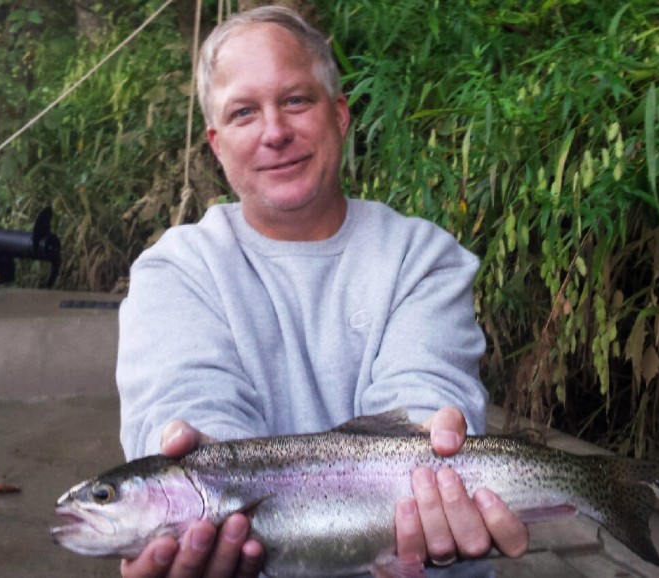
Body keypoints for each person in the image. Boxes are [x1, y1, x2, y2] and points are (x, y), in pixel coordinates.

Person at [116, 6, 528, 578]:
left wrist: (437, 467)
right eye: (243, 112)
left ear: (339, 115)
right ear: (216, 143)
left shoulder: (424, 256)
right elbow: (185, 409)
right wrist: (209, 510)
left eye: (295, 100)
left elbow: (428, 402)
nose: (275, 132)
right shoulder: (173, 269)